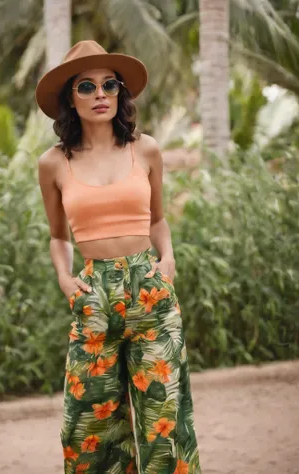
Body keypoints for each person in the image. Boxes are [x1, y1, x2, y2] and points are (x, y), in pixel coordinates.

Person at [36, 40, 201, 474]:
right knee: (90, 427)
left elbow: (158, 220)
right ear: (70, 98)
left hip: (151, 291)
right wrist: (65, 279)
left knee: (164, 425)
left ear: (121, 93)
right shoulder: (53, 163)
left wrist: (167, 259)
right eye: (86, 86)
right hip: (94, 295)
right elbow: (58, 237)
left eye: (109, 84)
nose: (100, 94)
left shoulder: (145, 149)